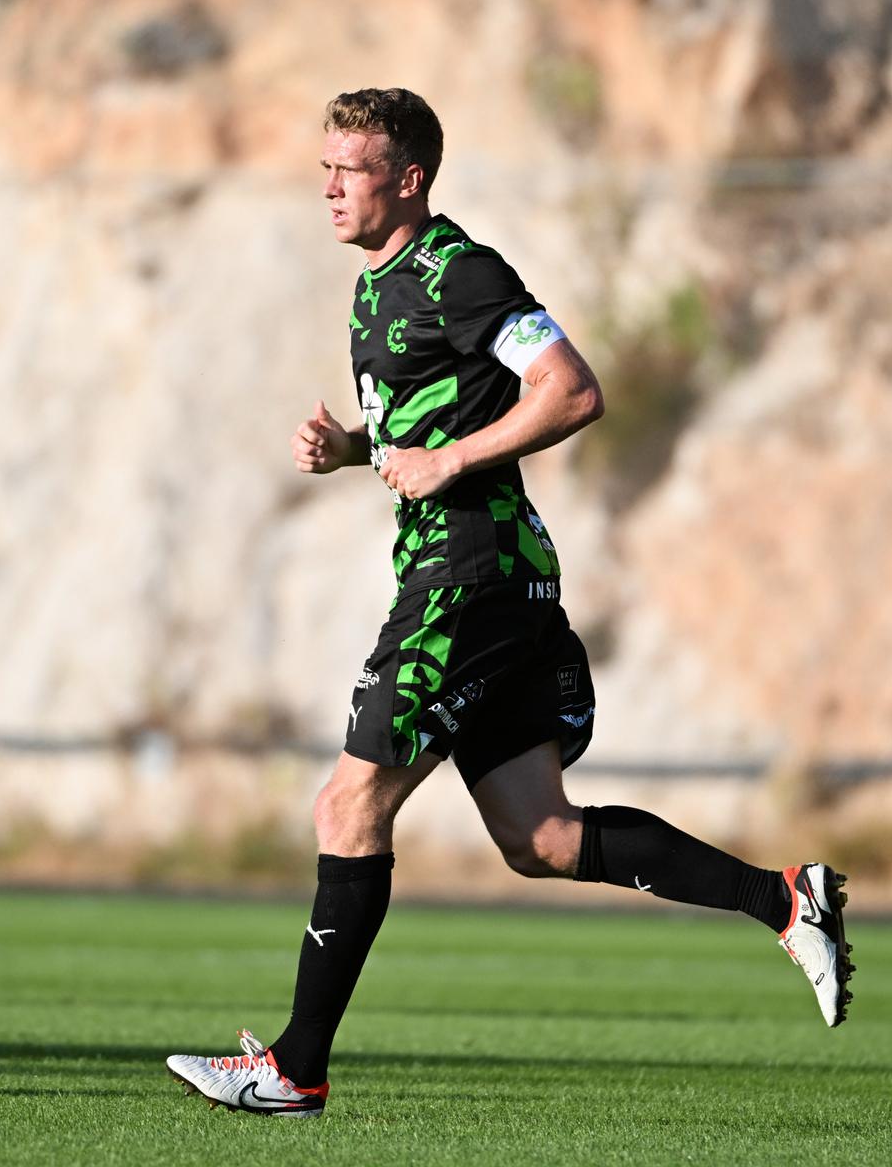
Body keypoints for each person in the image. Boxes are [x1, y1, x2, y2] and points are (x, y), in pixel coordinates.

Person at [166, 89, 852, 1117]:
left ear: (408, 177)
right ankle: (786, 897)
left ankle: (295, 1066)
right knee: (541, 837)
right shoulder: (373, 292)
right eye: (324, 168)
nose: (329, 187)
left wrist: (449, 459)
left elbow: (572, 389)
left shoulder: (460, 270)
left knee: (346, 805)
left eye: (349, 169)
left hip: (470, 576)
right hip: (479, 576)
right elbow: (421, 424)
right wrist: (358, 449)